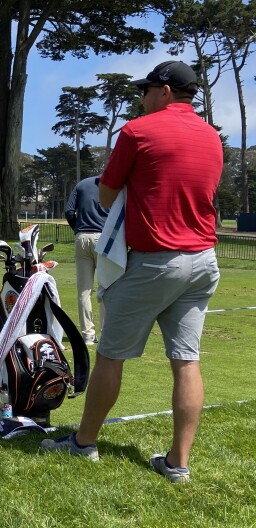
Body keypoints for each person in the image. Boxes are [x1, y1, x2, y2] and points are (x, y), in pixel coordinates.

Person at [40, 61, 222, 484]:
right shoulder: (213, 138)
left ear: (162, 91)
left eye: (145, 91)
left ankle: (84, 443)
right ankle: (178, 464)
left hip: (153, 261)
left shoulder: (139, 131)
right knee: (187, 361)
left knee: (111, 355)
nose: (140, 99)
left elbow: (105, 193)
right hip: (203, 261)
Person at [65, 176, 108, 345]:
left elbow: (69, 211)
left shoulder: (81, 184)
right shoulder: (114, 186)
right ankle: (105, 334)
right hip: (104, 239)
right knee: (106, 288)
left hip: (82, 237)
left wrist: (77, 228)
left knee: (84, 291)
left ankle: (88, 335)